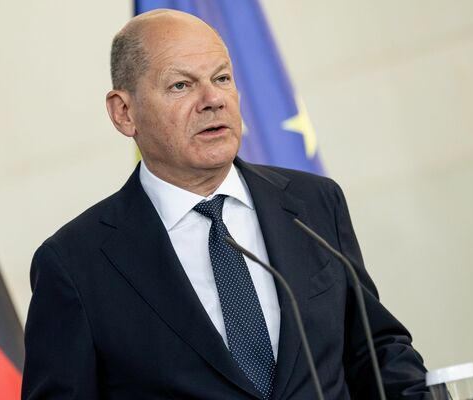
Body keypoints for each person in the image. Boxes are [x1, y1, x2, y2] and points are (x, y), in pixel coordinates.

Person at [22, 9, 429, 400]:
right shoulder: (75, 264)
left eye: (221, 78)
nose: (212, 99)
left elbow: (375, 351)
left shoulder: (313, 204)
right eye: (181, 85)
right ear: (124, 112)